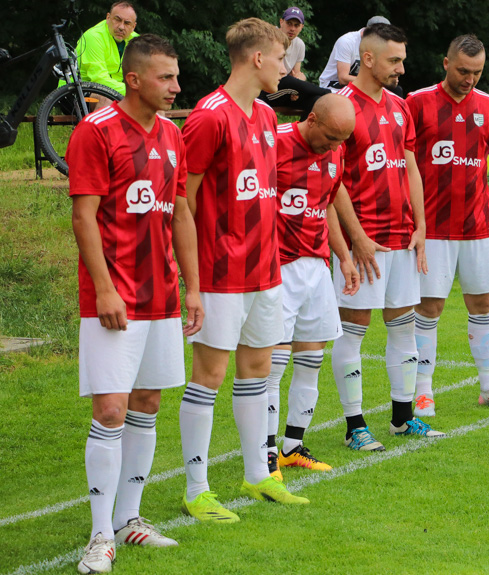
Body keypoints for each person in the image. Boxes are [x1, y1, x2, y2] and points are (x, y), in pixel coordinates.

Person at [67, 34, 202, 573]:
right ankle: (100, 536)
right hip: (114, 296)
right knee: (110, 409)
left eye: (175, 77)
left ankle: (129, 519)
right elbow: (83, 216)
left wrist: (191, 286)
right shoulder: (95, 131)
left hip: (162, 295)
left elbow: (181, 214)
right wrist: (102, 287)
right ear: (134, 79)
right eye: (166, 77)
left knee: (147, 402)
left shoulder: (172, 134)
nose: (175, 86)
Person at [178, 17, 308, 525]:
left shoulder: (263, 115)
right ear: (258, 59)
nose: (286, 68)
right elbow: (180, 203)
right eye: (280, 59)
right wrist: (191, 279)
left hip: (265, 269)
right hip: (219, 273)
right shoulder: (209, 117)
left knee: (258, 369)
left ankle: (259, 474)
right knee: (209, 376)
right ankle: (196, 489)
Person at [331, 23, 444, 451]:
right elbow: (332, 180)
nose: (401, 67)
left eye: (402, 58)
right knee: (353, 331)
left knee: (403, 327)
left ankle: (402, 417)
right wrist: (355, 237)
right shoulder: (337, 106)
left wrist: (421, 225)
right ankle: (354, 425)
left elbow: (410, 166)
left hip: (401, 238)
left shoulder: (400, 107)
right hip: (365, 242)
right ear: (368, 58)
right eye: (394, 60)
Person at [406, 34, 489, 417]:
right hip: (432, 227)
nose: (469, 78)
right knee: (429, 306)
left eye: (476, 72)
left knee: (482, 303)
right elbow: (403, 164)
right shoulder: (418, 103)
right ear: (445, 63)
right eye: (462, 70)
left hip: (477, 226)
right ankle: (422, 392)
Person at [265, 94, 360, 477]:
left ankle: (292, 445)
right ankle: (266, 452)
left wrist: (345, 256)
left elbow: (326, 202)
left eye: (342, 141)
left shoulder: (334, 152)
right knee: (272, 363)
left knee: (312, 356)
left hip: (316, 265)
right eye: (331, 138)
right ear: (312, 119)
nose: (335, 147)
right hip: (278, 267)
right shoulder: (275, 143)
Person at [260, 7, 330, 117]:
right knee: (286, 80)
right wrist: (297, 84)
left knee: (315, 100)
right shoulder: (272, 38)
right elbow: (282, 75)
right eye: (289, 23)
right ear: (281, 22)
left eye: (296, 25)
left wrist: (298, 87)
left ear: (301, 27)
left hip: (286, 92)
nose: (292, 28)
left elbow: (297, 75)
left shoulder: (299, 44)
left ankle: (302, 132)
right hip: (267, 91)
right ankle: (329, 93)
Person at [318, 16, 403, 97]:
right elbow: (343, 78)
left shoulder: (379, 45)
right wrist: (374, 82)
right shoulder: (347, 42)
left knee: (396, 90)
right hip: (334, 86)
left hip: (363, 85)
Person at [70, 2, 140, 96]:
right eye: (117, 20)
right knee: (105, 96)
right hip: (74, 91)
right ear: (108, 18)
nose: (121, 27)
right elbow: (99, 80)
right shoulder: (94, 37)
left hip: (111, 90)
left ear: (133, 27)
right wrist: (135, 91)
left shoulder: (136, 41)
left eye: (127, 23)